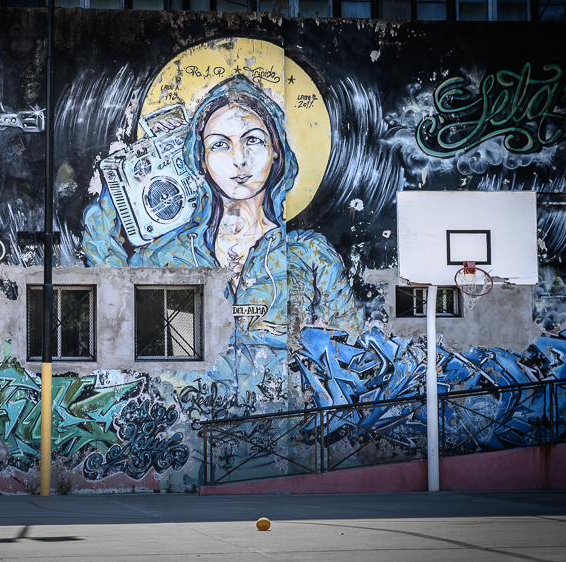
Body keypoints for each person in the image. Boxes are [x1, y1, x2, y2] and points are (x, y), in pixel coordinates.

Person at [82, 76, 361, 407]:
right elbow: (111, 283)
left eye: (254, 140)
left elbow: (349, 351)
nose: (239, 159)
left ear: (277, 153)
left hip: (292, 441)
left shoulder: (310, 254)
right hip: (190, 442)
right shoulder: (168, 257)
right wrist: (120, 188)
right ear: (199, 159)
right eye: (219, 144)